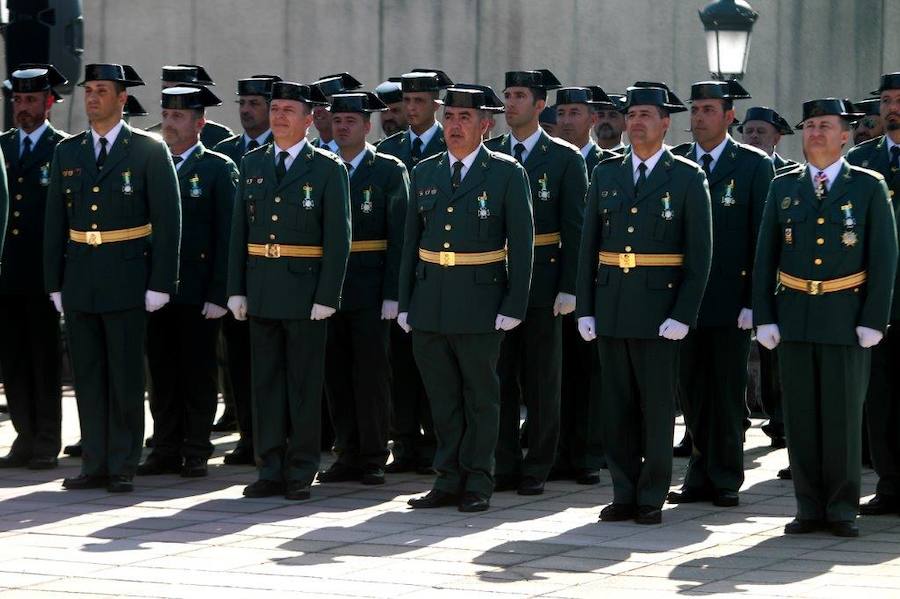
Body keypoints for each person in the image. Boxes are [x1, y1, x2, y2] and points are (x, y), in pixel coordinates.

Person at [754, 98, 897, 538]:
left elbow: (884, 256)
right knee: (801, 418)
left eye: (825, 125)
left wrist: (874, 319)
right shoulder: (784, 186)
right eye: (810, 125)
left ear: (844, 135)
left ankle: (840, 508)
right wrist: (766, 316)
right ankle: (807, 506)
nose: (815, 132)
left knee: (841, 418)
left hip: (844, 317)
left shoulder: (868, 186)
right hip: (795, 315)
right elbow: (766, 256)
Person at [576, 81, 712, 525]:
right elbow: (588, 246)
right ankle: (623, 491)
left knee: (656, 410)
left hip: (659, 312)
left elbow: (700, 255)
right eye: (631, 116)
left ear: (666, 124)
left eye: (645, 117)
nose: (636, 124)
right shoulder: (606, 172)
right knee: (616, 408)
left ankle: (652, 493)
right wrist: (586, 308)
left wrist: (683, 314)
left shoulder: (688, 176)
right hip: (612, 306)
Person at [44, 63, 181, 493]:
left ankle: (122, 463)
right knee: (88, 375)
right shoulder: (69, 151)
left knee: (124, 376)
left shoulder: (147, 149)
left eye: (102, 90)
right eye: (89, 90)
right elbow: (54, 222)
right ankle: (95, 462)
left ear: (122, 99)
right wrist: (55, 281)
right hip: (82, 277)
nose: (92, 98)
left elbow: (168, 220)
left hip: (127, 277)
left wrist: (161, 282)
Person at [399, 85, 533, 512]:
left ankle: (478, 479)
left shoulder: (507, 172)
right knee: (442, 398)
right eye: (450, 118)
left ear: (485, 124)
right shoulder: (425, 172)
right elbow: (409, 243)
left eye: (465, 119)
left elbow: (523, 244)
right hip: (430, 301)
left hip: (480, 302)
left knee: (480, 397)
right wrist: (405, 303)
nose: (455, 126)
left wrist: (514, 304)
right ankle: (447, 478)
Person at [226, 81, 350, 500]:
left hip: (304, 292)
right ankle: (269, 466)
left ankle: (300, 468)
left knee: (302, 385)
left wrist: (327, 296)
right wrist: (236, 289)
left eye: (288, 111)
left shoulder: (327, 168)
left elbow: (338, 239)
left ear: (309, 119)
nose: (278, 116)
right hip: (261, 286)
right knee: (265, 384)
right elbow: (239, 230)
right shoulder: (252, 162)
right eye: (275, 108)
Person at [668, 80, 774, 508]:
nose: (698, 118)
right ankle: (698, 472)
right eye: (695, 110)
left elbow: (763, 239)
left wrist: (755, 301)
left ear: (730, 117)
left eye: (708, 110)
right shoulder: (675, 163)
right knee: (691, 390)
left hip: (732, 300)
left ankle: (726, 474)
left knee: (727, 391)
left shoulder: (751, 165)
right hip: (683, 302)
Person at [486, 69, 588, 496]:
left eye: (520, 95)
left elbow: (576, 228)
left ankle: (539, 464)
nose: (510, 103)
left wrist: (570, 286)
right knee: (500, 377)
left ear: (540, 104)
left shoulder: (564, 158)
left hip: (545, 281)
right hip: (499, 279)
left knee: (543, 379)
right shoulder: (490, 153)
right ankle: (505, 461)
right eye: (507, 95)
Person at [139, 85, 238, 478]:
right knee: (161, 373)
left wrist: (220, 292)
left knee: (198, 372)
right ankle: (165, 446)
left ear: (200, 123)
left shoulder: (217, 167)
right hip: (157, 288)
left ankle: (196, 447)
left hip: (198, 292)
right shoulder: (150, 162)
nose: (169, 123)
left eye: (178, 117)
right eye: (166, 115)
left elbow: (226, 235)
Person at [318, 91, 409, 486]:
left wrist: (394, 293)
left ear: (366, 126)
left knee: (371, 373)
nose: (343, 127)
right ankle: (347, 451)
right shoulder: (320, 167)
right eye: (337, 121)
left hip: (370, 284)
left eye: (351, 121)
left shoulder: (387, 169)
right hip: (330, 285)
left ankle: (373, 453)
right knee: (335, 372)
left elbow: (401, 235)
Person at [376, 69, 452, 474]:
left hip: (441, 272)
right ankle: (405, 445)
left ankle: (438, 445)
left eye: (420, 101)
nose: (412, 108)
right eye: (407, 101)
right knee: (400, 366)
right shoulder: (388, 151)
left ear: (436, 106)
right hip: (400, 272)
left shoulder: (453, 142)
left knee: (435, 366)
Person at [552, 85, 623, 485]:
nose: (566, 122)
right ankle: (562, 449)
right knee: (558, 372)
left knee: (593, 374)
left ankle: (591, 451)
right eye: (561, 115)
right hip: (557, 282)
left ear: (593, 120)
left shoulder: (607, 164)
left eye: (575, 114)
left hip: (597, 283)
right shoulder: (551, 162)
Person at [213, 74, 281, 465]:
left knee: (273, 365)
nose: (246, 110)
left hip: (274, 274)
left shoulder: (282, 150)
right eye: (243, 103)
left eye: (255, 104)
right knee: (239, 361)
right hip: (236, 273)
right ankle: (248, 436)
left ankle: (278, 437)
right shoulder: (226, 152)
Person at [0, 64, 63, 469]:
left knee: (44, 356)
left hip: (43, 273)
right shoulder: (2, 147)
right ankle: (23, 435)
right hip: (7, 272)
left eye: (30, 100)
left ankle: (46, 440)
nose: (22, 108)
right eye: (17, 100)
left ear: (49, 103)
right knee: (13, 358)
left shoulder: (63, 148)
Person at [847, 73, 900, 516]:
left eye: (899, 100)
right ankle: (890, 484)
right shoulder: (862, 161)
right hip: (877, 302)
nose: (891, 108)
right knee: (880, 399)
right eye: (885, 100)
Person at [146, 64, 233, 147]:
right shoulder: (150, 137)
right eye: (165, 90)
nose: (170, 96)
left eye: (178, 90)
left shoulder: (219, 136)